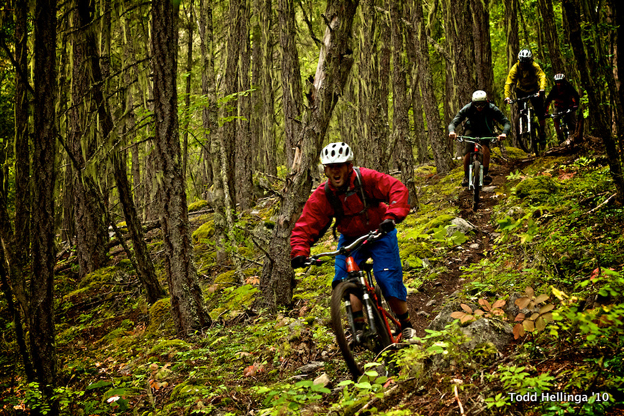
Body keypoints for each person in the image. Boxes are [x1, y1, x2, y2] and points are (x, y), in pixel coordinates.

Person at [290, 142, 415, 340]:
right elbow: (306, 223)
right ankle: (360, 328)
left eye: (339, 165)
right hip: (349, 238)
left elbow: (396, 188)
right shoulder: (324, 194)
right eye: (331, 167)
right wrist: (299, 251)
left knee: (386, 278)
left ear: (349, 166)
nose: (335, 171)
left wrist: (391, 216)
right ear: (325, 171)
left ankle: (406, 323)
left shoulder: (366, 178)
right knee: (342, 280)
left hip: (380, 232)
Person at [448, 90, 511, 186]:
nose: (479, 107)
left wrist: (504, 133)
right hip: (471, 129)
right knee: (468, 151)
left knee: (485, 147)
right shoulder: (468, 108)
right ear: (473, 103)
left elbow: (505, 122)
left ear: (486, 102)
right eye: (477, 105)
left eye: (482, 104)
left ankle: (485, 174)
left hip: (486, 130)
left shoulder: (492, 108)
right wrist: (452, 131)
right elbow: (454, 121)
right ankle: (466, 176)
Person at [504, 49, 548, 153]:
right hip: (521, 90)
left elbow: (542, 76)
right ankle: (522, 122)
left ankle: (541, 132)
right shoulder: (515, 68)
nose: (524, 65)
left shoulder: (534, 66)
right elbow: (509, 83)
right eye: (522, 62)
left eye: (526, 62)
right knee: (521, 109)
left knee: (540, 112)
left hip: (534, 89)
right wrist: (507, 97)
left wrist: (542, 89)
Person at [544, 73, 580, 143]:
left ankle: (575, 135)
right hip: (559, 106)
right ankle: (559, 136)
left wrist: (576, 105)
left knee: (572, 122)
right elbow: (548, 100)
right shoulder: (554, 90)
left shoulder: (568, 87)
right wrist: (546, 112)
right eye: (557, 83)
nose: (559, 84)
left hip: (569, 106)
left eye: (560, 82)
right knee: (555, 118)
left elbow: (576, 95)